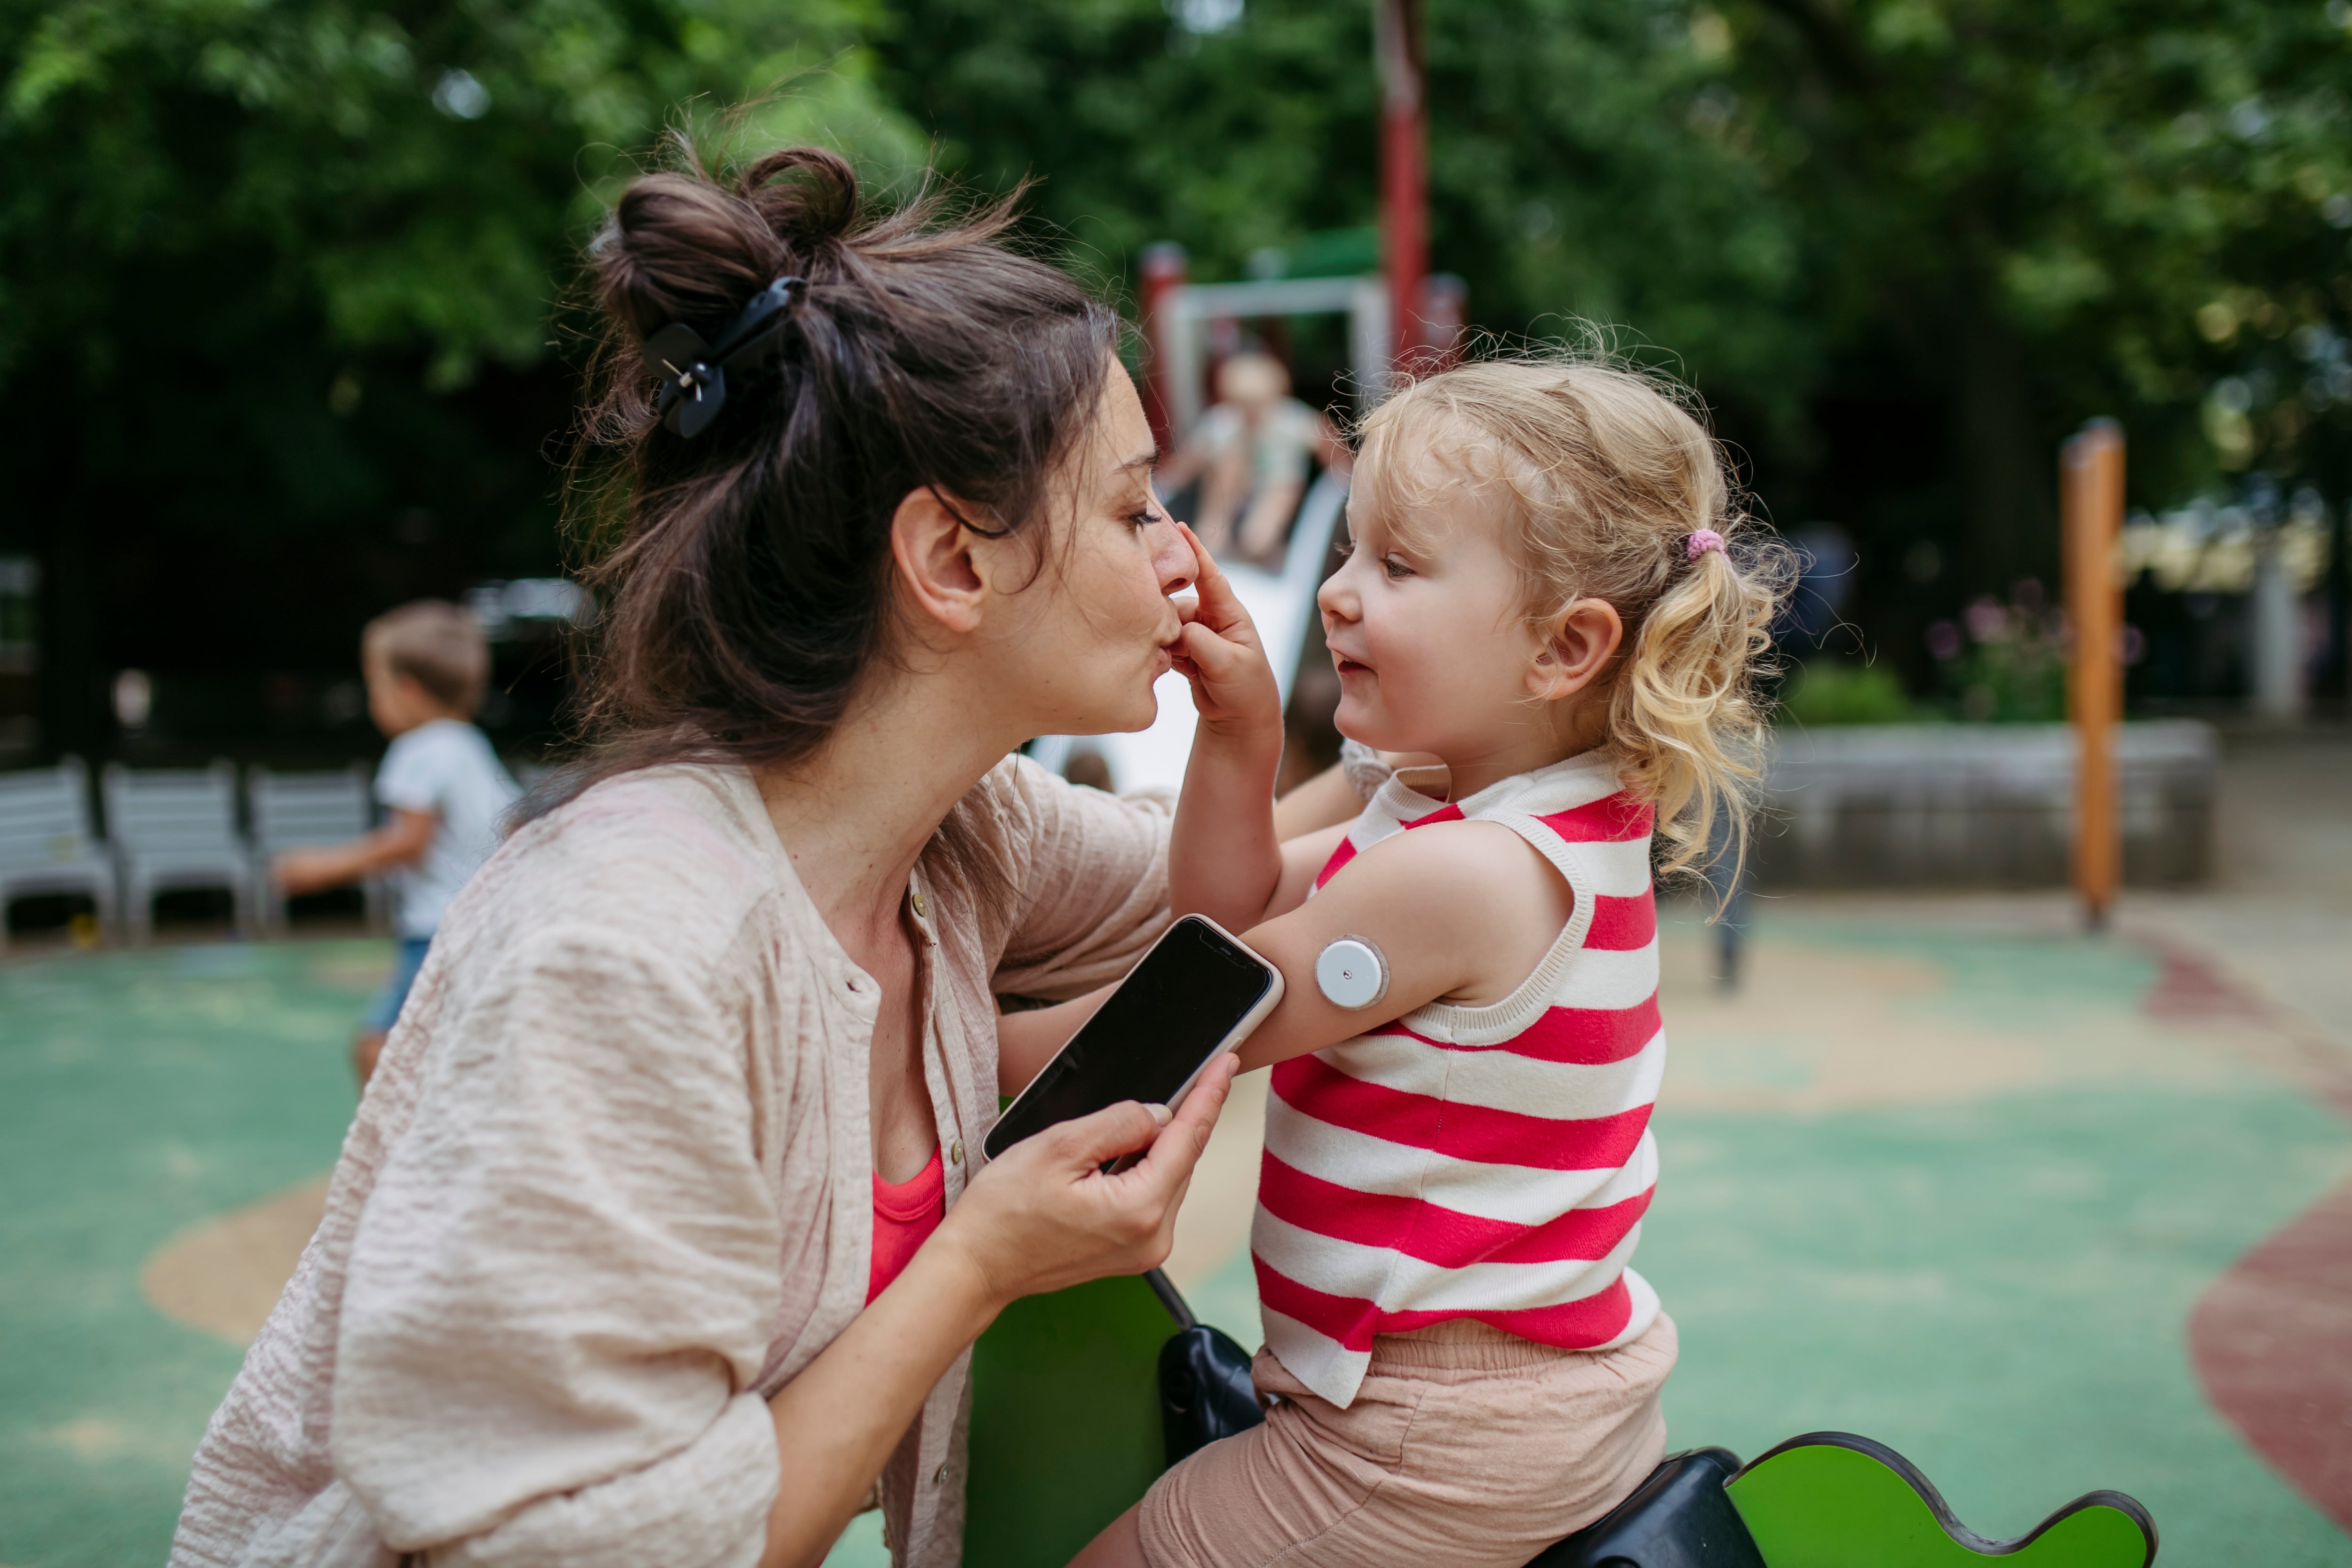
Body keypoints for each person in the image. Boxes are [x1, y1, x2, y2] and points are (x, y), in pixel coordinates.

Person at [169, 146, 1287, 1568]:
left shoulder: (951, 838)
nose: (1180, 558)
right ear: (950, 561)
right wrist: (980, 1262)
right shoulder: (625, 948)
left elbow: (1245, 890)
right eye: (1133, 509)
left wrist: (1417, 732)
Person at [1027, 357, 1793, 1568]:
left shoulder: (1474, 873)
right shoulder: (1474, 795)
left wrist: (914, 1042)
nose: (1337, 595)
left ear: (1564, 646)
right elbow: (1224, 916)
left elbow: (1181, 1026)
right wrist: (1237, 738)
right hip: (1513, 1396)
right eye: (1347, 553)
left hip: (1421, 1437)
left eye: (1396, 566)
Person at [271, 600, 521, 1083]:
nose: (374, 701)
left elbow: (409, 840)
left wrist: (322, 867)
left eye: (376, 687)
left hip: (434, 930)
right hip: (485, 923)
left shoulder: (417, 750)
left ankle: (390, 1154)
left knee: (376, 1046)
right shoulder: (471, 746)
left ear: (407, 691)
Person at [1155, 352, 1345, 567]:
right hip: (1233, 490)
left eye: (1257, 404)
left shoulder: (1291, 419)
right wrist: (1160, 489)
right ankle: (1216, 533)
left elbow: (1334, 450)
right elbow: (1187, 464)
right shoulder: (1222, 421)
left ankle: (1259, 540)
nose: (1250, 413)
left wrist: (1339, 486)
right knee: (1229, 461)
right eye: (1242, 405)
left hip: (1278, 486)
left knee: (1263, 526)